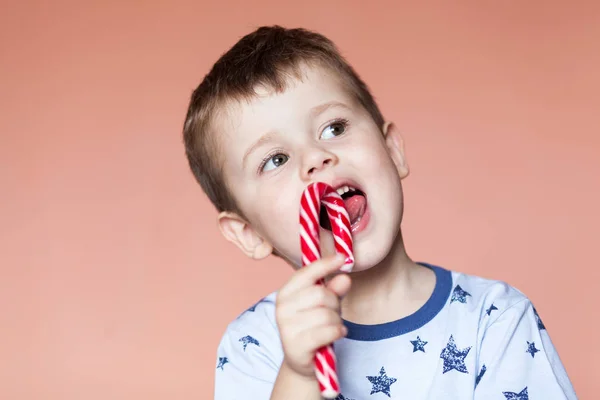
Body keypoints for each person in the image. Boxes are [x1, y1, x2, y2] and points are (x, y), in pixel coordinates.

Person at [182, 25, 577, 400]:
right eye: (276, 159)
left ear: (393, 151)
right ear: (248, 232)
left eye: (334, 128)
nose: (317, 158)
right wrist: (300, 377)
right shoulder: (256, 344)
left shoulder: (495, 320)